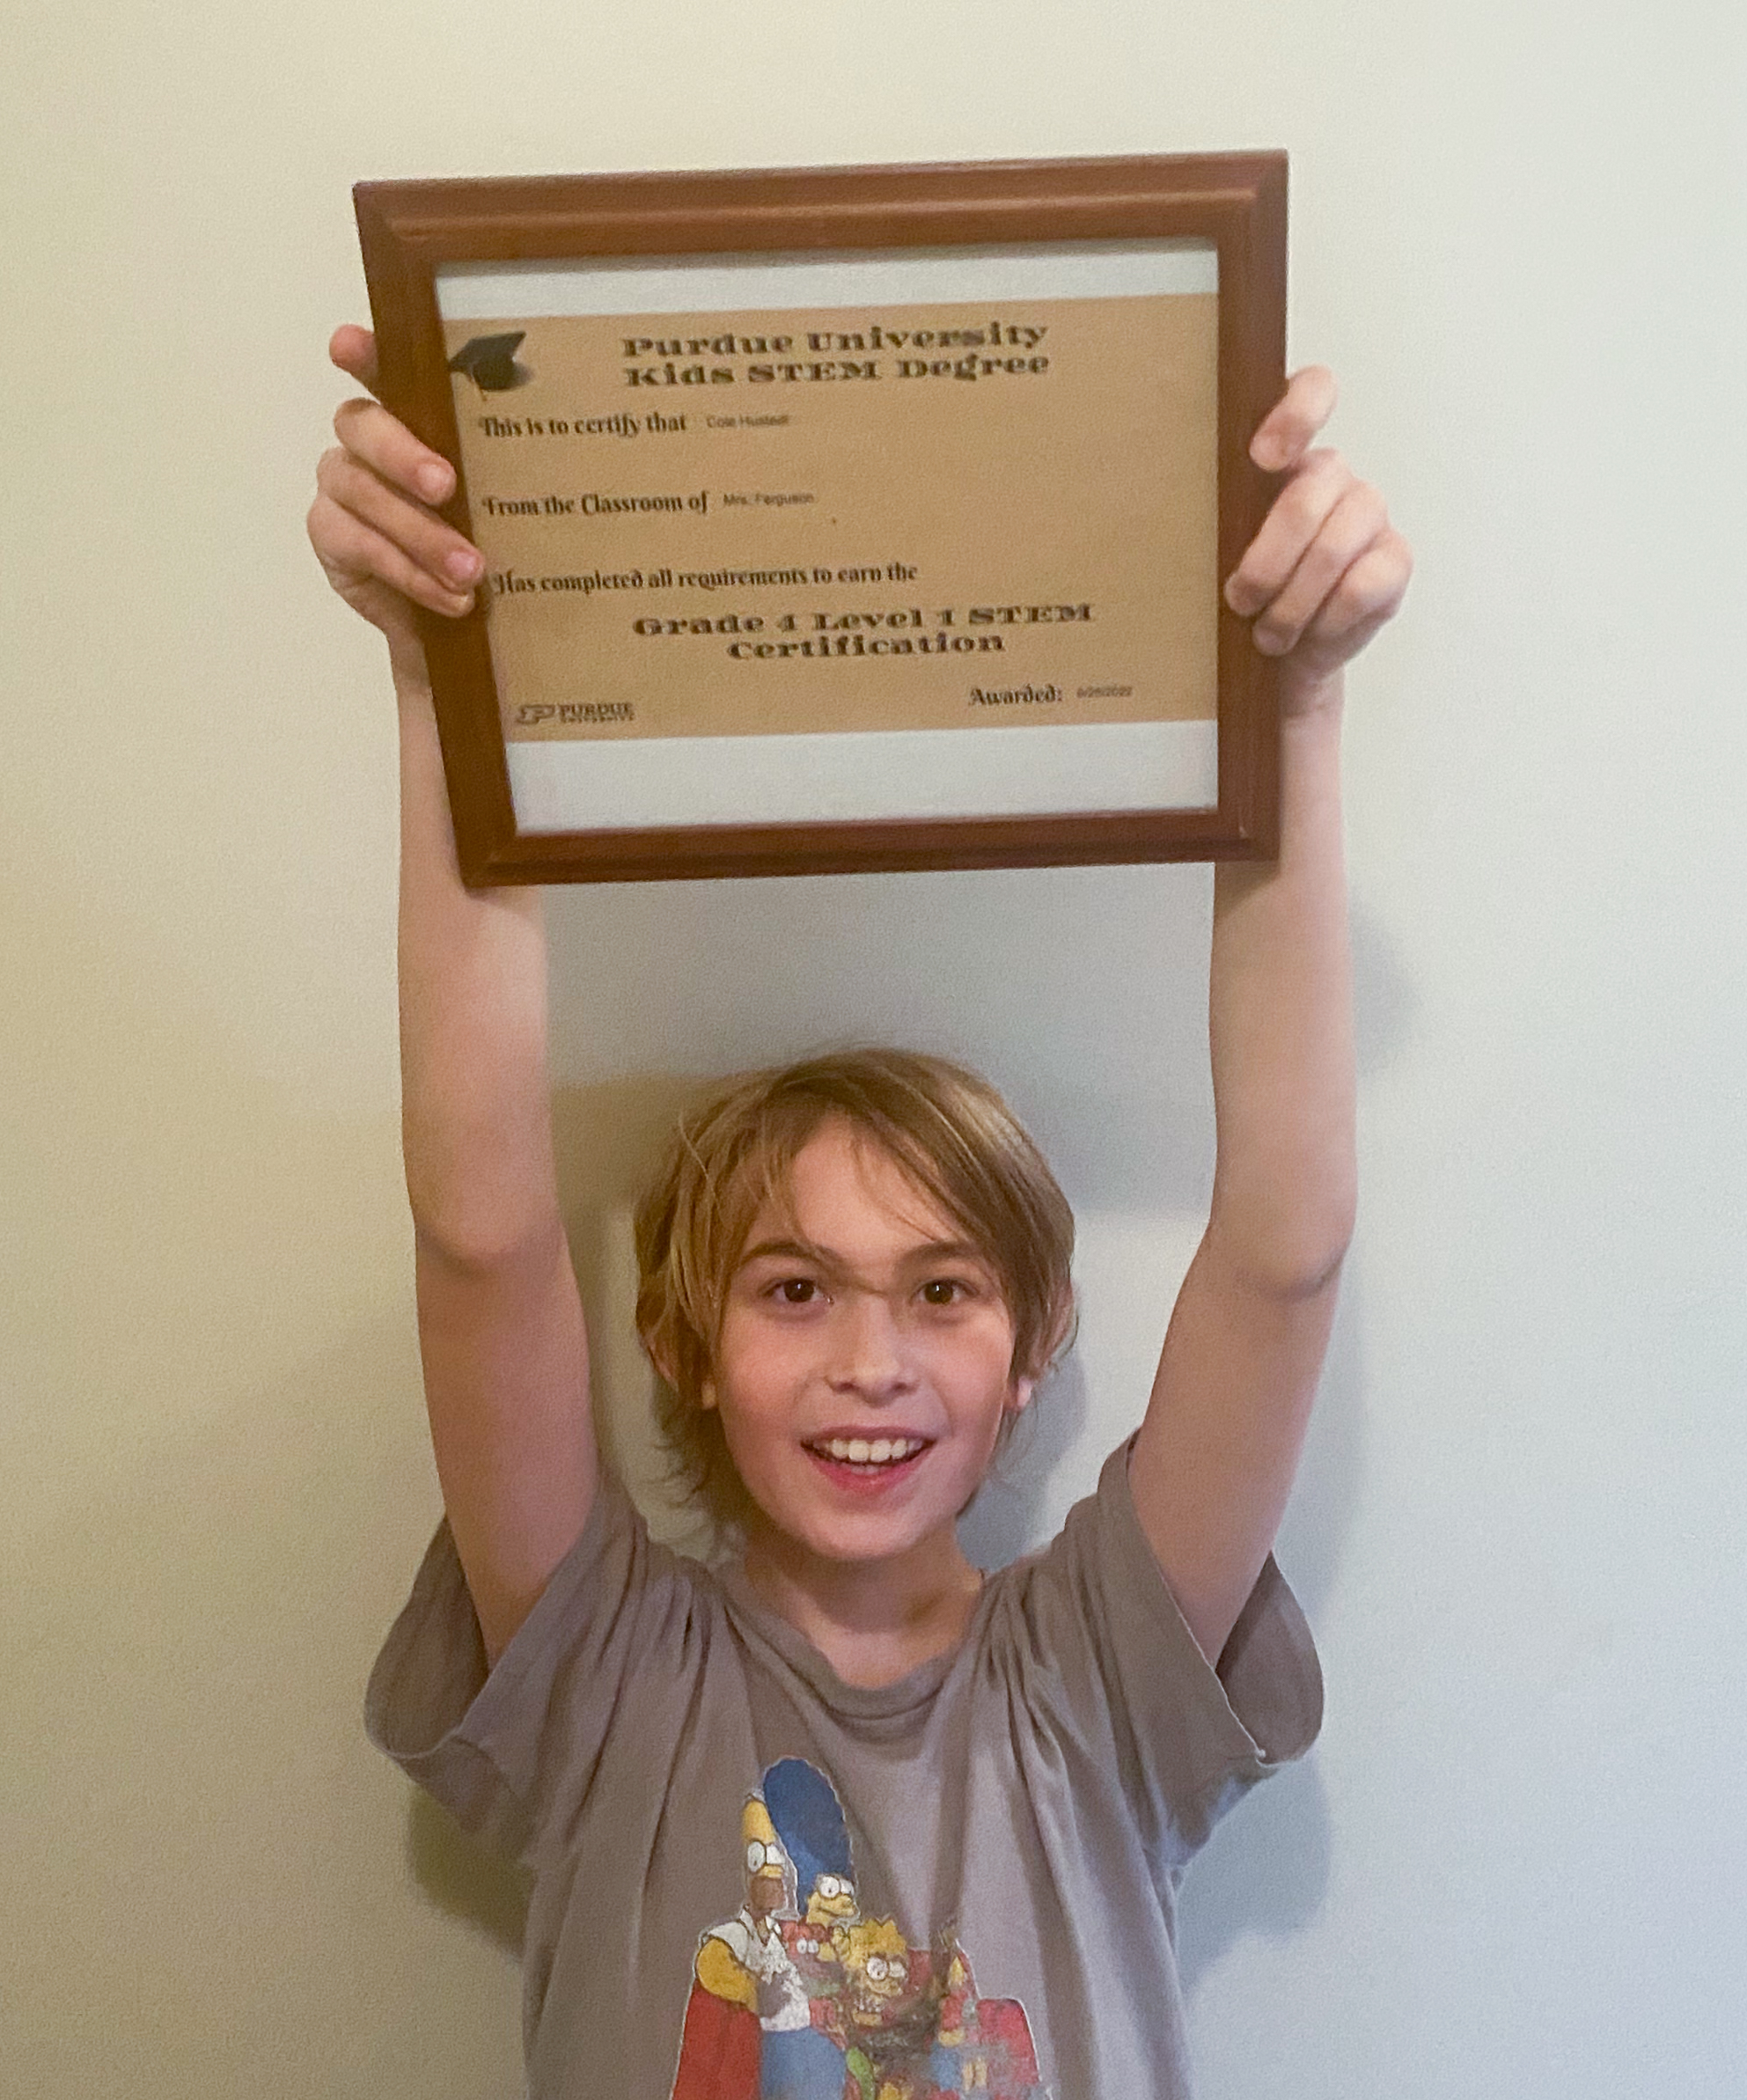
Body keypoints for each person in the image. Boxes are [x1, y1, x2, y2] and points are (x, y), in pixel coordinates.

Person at [310, 318, 1409, 2098]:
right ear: (683, 1340)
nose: (872, 1361)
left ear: (1035, 1343)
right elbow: (481, 1234)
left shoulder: (1096, 1675)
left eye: (944, 1288)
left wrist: (1295, 701)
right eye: (794, 1288)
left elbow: (1285, 1256)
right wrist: (448, 686)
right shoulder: (614, 1676)